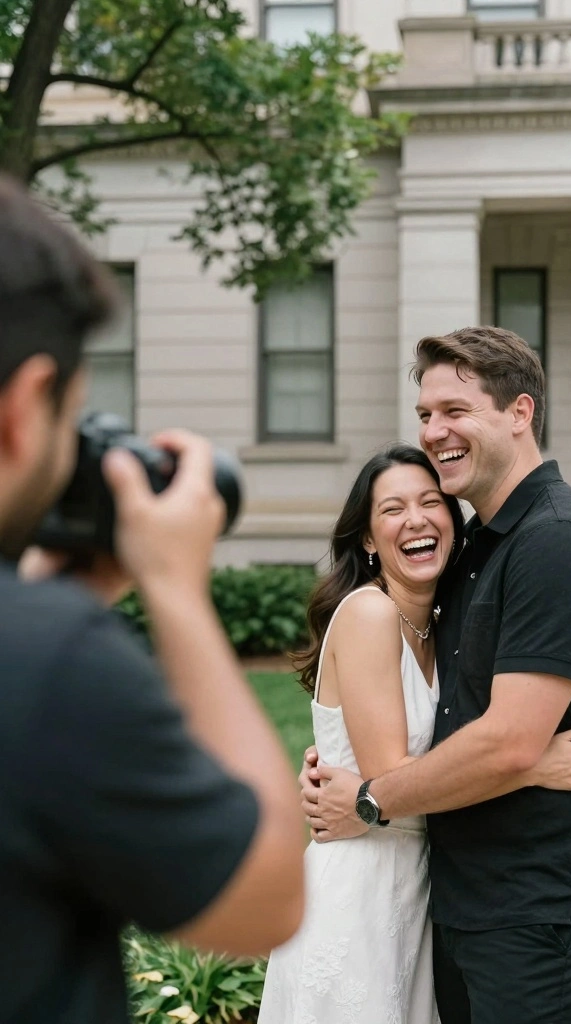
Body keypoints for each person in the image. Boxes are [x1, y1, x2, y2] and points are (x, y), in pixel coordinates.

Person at [0, 175, 304, 1024]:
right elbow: (266, 897)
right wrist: (176, 593)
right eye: (72, 419)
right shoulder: (48, 662)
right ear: (22, 410)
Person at [302, 326, 571, 1024]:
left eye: (455, 410)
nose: (434, 431)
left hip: (541, 908)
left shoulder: (558, 540)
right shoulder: (476, 552)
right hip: (459, 905)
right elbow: (461, 718)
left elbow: (510, 740)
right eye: (425, 414)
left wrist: (368, 799)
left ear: (520, 412)